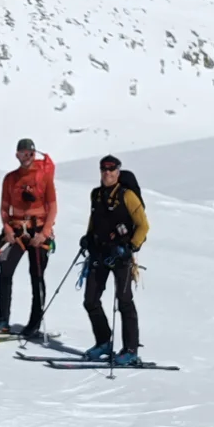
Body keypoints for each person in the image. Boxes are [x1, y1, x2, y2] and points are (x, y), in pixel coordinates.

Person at [80, 153, 149, 365]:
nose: (107, 173)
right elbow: (95, 219)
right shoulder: (97, 195)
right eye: (104, 170)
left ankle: (130, 349)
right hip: (100, 253)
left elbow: (143, 225)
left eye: (111, 170)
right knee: (90, 300)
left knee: (124, 301)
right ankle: (103, 342)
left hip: (121, 256)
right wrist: (88, 238)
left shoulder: (127, 195)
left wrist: (131, 246)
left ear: (118, 172)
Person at [0, 137, 56, 338]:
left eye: (30, 153)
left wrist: (44, 233)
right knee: (5, 271)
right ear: (17, 155)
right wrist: (7, 230)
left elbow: (53, 207)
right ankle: (3, 319)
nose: (26, 157)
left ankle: (34, 323)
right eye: (23, 153)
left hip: (38, 232)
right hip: (17, 231)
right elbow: (4, 208)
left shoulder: (44, 177)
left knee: (36, 277)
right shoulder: (10, 179)